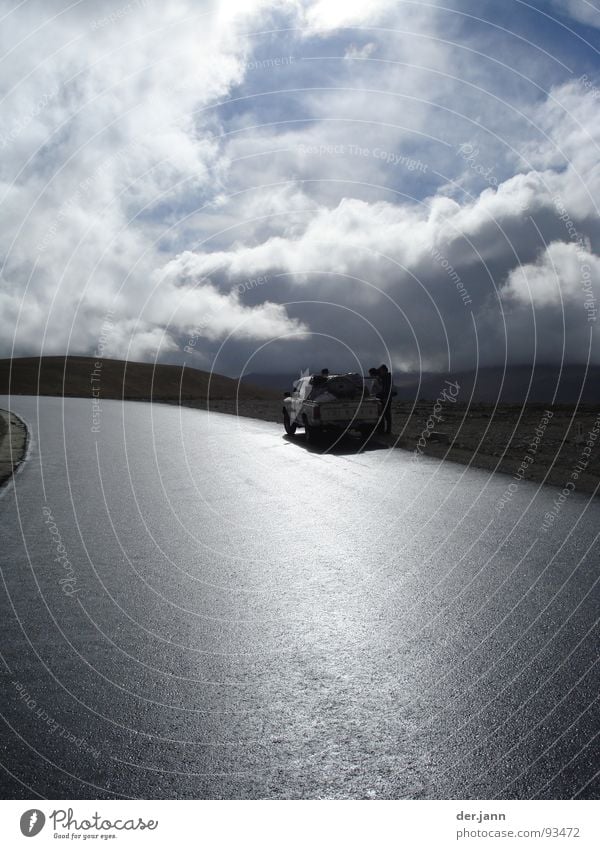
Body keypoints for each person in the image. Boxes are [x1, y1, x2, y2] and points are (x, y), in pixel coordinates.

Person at [378, 364, 393, 434]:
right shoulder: (387, 377)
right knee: (385, 414)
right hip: (386, 398)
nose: (380, 372)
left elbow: (387, 389)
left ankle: (385, 430)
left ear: (384, 371)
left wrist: (385, 397)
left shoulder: (387, 378)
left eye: (381, 371)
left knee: (385, 414)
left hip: (385, 398)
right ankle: (386, 430)